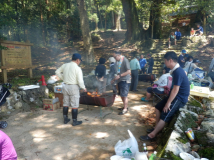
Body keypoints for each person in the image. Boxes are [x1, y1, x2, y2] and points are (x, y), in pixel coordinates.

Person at [140, 51, 190, 141]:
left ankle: (152, 135)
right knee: (158, 107)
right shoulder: (175, 70)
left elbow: (176, 89)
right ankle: (156, 128)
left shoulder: (178, 71)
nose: (164, 63)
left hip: (180, 98)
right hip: (175, 95)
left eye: (165, 61)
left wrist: (168, 103)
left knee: (165, 115)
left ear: (170, 60)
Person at [55, 53, 87, 126]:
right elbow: (80, 80)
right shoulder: (77, 68)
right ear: (78, 60)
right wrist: (83, 87)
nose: (80, 62)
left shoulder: (65, 65)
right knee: (74, 105)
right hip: (73, 87)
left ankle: (65, 119)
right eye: (80, 61)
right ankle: (74, 121)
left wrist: (63, 78)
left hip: (65, 86)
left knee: (65, 103)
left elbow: (57, 72)